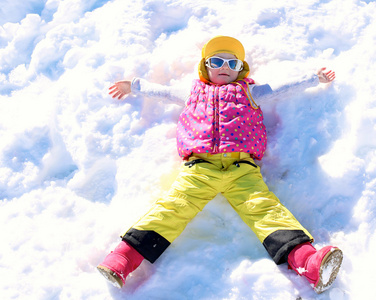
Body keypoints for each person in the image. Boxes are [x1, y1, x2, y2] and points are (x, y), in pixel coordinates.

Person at [98, 36, 342, 294]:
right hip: (199, 168)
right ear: (205, 66)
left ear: (240, 69)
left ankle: (308, 262)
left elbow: (282, 87)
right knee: (173, 208)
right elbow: (161, 92)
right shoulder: (192, 92)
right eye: (217, 61)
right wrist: (133, 86)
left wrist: (314, 79)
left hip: (242, 169)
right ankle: (124, 258)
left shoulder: (250, 91)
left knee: (265, 210)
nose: (224, 66)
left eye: (232, 62)